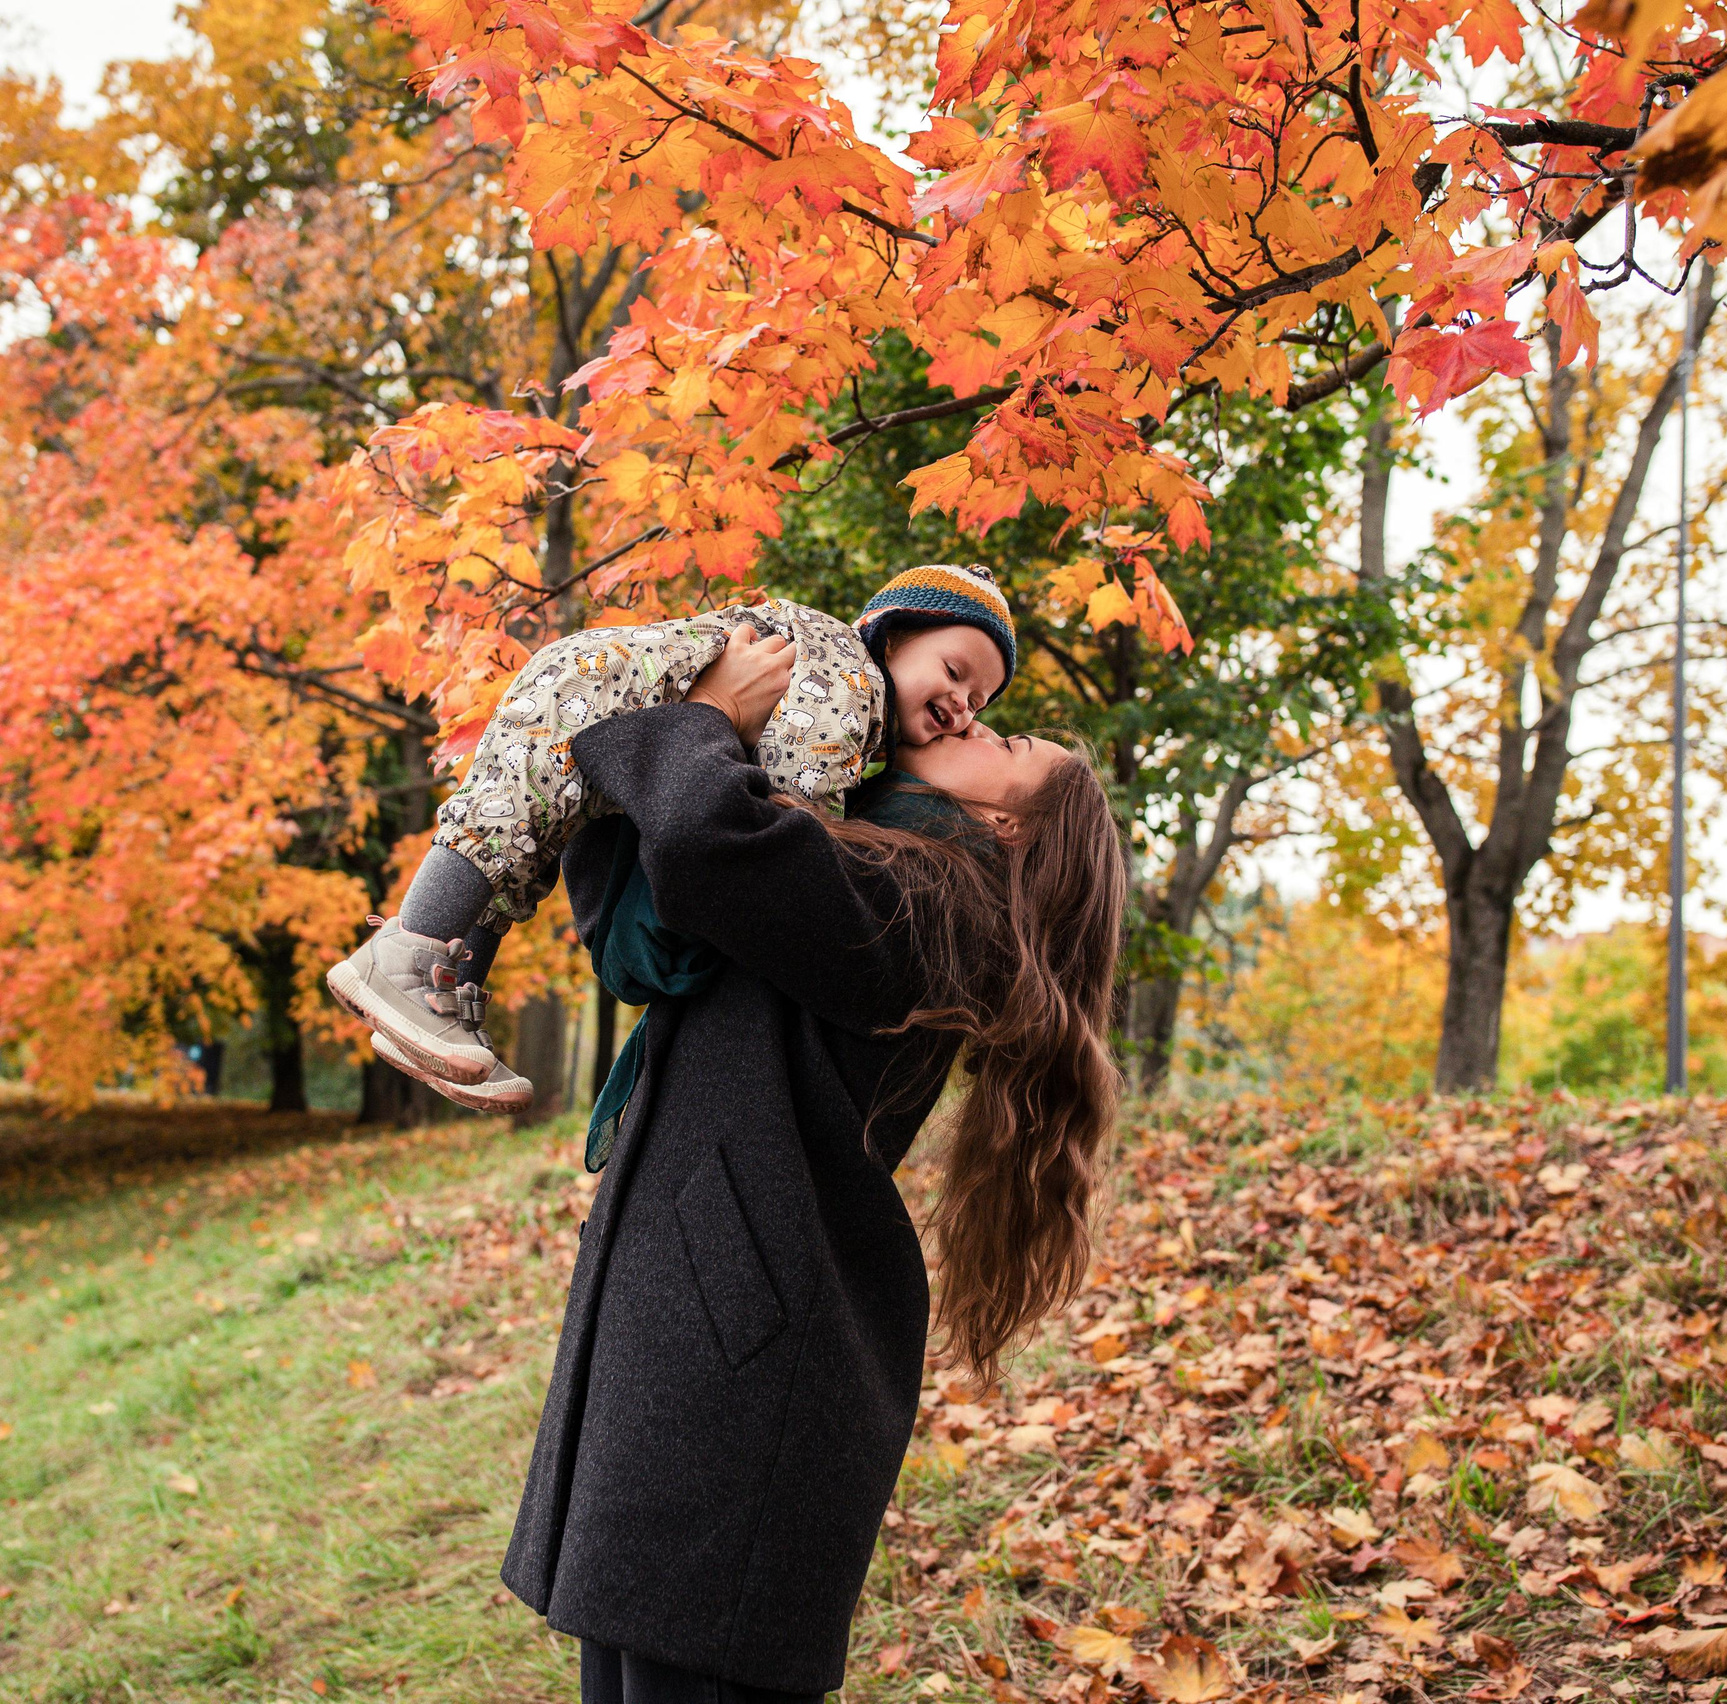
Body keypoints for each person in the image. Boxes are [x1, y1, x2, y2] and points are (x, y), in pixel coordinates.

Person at [500, 629, 1126, 1703]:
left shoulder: (943, 904)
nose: (977, 721)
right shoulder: (878, 855)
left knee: (678, 1669)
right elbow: (661, 911)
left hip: (747, 1356)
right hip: (715, 1328)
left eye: (1010, 741)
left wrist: (709, 714)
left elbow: (708, 841)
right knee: (638, 1661)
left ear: (1011, 826)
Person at [325, 565, 1020, 1112]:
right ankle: (406, 954)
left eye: (980, 702)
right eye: (954, 672)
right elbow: (798, 801)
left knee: (518, 859)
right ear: (891, 637)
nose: (963, 704)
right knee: (500, 832)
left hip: (608, 716)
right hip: (588, 703)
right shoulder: (850, 678)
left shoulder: (862, 704)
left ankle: (438, 1003)